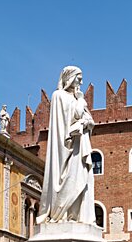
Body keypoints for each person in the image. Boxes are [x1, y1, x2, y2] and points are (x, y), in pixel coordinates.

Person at [36, 65, 96, 225]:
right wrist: (81, 103)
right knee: (69, 179)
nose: (81, 82)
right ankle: (60, 214)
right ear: (69, 77)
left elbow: (88, 119)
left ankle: (76, 216)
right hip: (66, 147)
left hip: (79, 146)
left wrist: (87, 121)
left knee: (82, 180)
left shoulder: (77, 98)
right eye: (79, 78)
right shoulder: (58, 96)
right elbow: (70, 118)